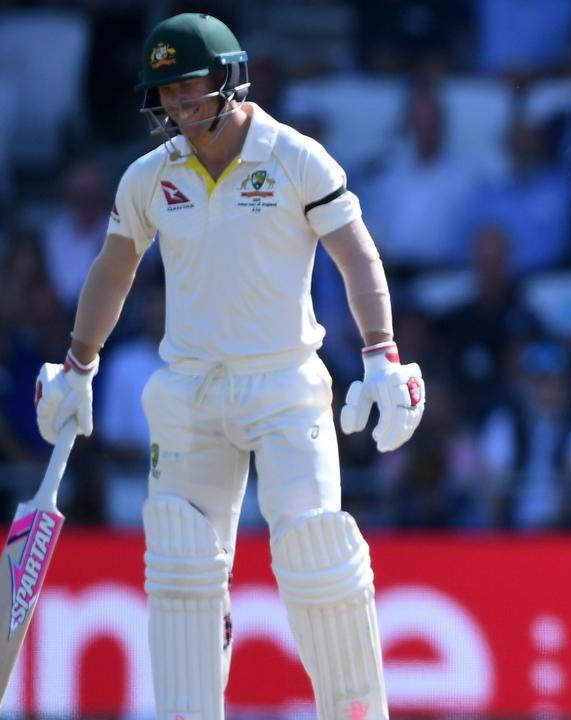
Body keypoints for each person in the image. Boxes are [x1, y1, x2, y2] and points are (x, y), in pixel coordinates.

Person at [31, 14, 423, 720]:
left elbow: (357, 256)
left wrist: (381, 352)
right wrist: (76, 364)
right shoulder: (151, 176)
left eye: (190, 91)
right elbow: (113, 269)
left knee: (314, 548)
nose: (180, 109)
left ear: (228, 78)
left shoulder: (295, 156)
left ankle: (357, 712)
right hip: (189, 390)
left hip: (284, 384)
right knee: (181, 565)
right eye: (167, 96)